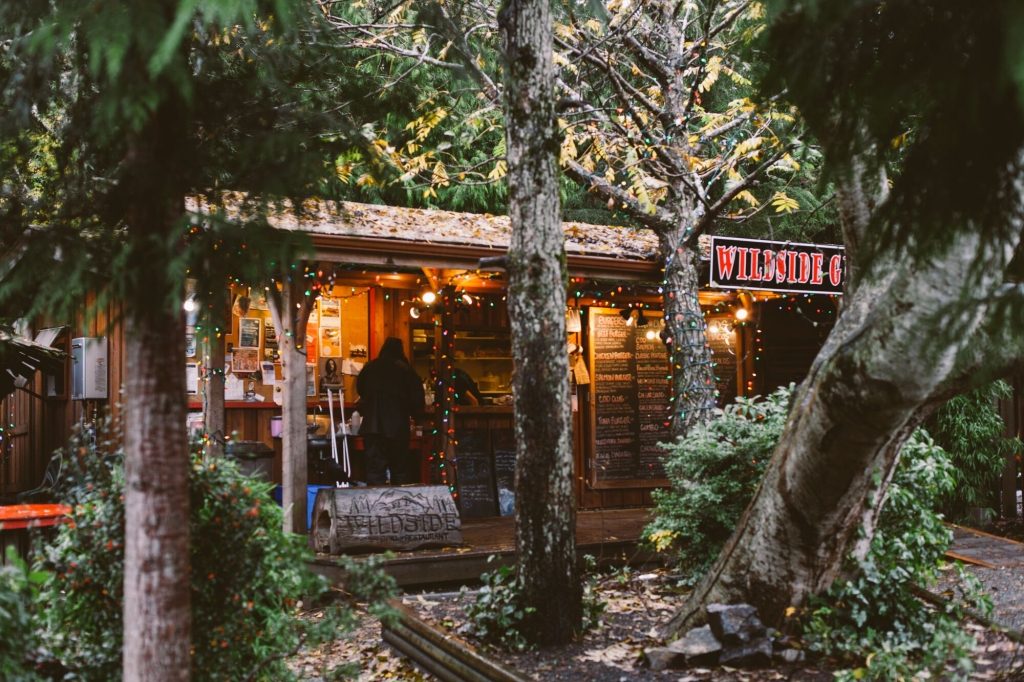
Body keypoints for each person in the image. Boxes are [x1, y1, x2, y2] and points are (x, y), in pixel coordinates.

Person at [356, 337, 425, 485]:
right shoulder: (406, 370)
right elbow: (418, 401)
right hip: (397, 429)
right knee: (400, 473)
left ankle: (375, 507)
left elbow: (361, 390)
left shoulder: (370, 367)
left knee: (375, 473)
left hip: (372, 428)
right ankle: (398, 507)